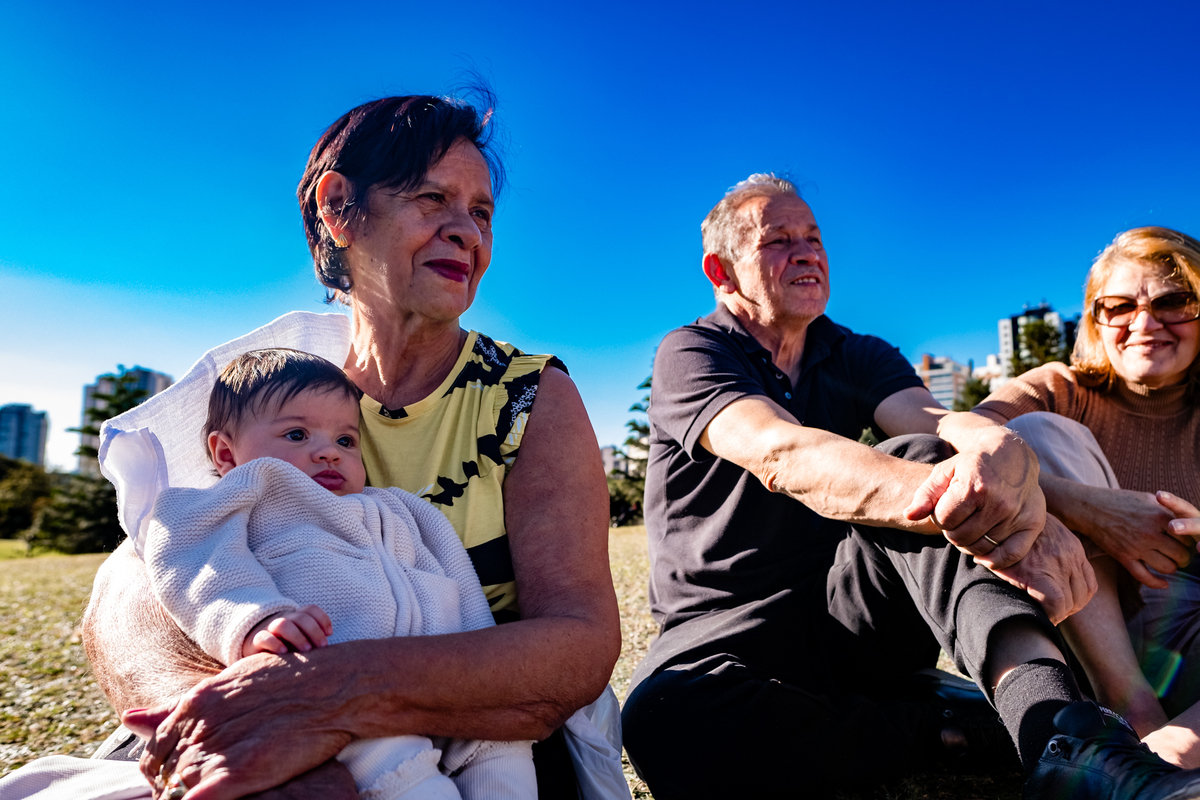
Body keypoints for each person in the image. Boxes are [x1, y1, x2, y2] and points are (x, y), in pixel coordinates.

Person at [78, 91, 622, 800]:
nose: (467, 232)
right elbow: (136, 579)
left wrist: (326, 698)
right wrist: (226, 716)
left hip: (475, 740)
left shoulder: (527, 396)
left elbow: (578, 644)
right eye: (433, 199)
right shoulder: (269, 386)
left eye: (482, 213)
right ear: (338, 208)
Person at [619, 173, 1200, 799]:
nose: (808, 251)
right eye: (778, 241)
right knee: (666, 720)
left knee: (930, 456)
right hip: (728, 632)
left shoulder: (859, 353)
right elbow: (781, 452)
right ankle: (955, 731)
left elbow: (938, 423)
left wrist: (1000, 455)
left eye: (814, 237)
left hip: (857, 616)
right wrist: (995, 498)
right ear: (722, 271)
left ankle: (1068, 742)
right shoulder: (693, 352)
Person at [141, 348, 535, 800]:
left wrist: (482, 660)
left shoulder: (400, 507)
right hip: (346, 702)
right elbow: (194, 556)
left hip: (446, 684)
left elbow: (457, 579)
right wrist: (254, 618)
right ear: (226, 453)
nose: (328, 452)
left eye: (346, 441)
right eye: (296, 434)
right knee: (401, 773)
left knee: (502, 754)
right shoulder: (248, 493)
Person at [973, 227, 1200, 766]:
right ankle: (1134, 712)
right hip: (1087, 620)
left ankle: (1167, 755)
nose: (1144, 324)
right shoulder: (1064, 387)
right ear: (1096, 321)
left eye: (1173, 301)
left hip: (1188, 628)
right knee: (1037, 434)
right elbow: (955, 437)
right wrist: (1087, 506)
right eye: (1119, 307)